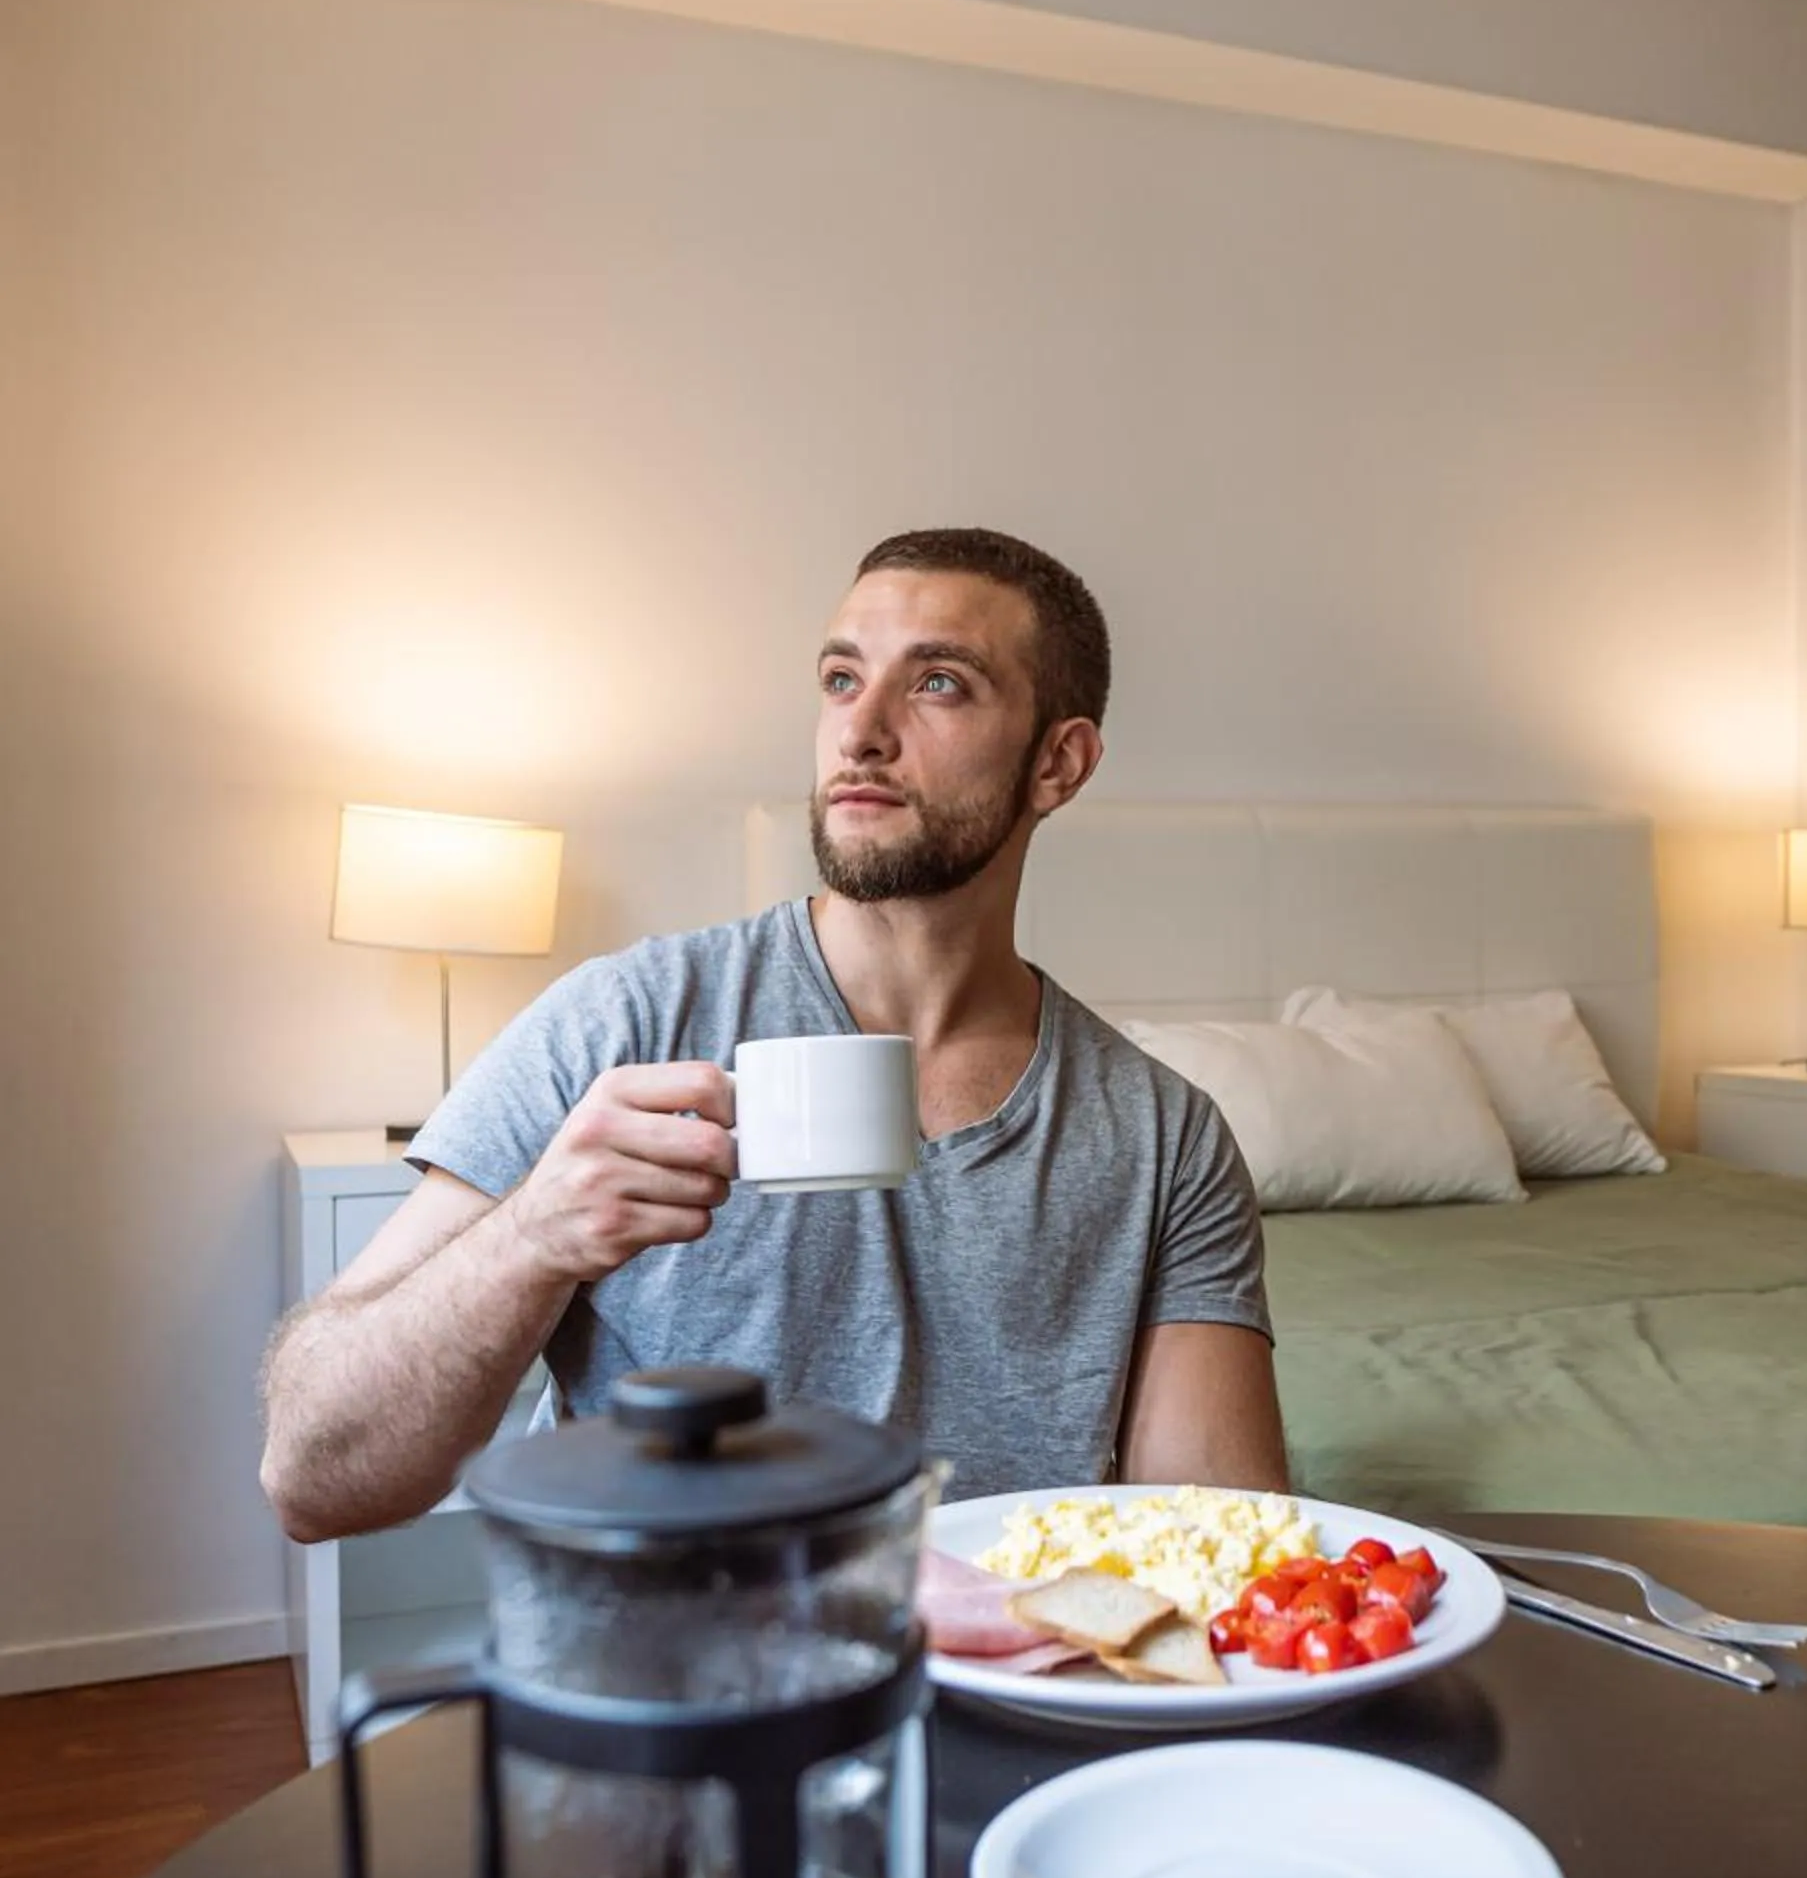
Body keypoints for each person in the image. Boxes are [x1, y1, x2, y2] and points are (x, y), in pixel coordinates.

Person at [260, 527, 1287, 1540]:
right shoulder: (626, 1023)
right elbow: (312, 1480)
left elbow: (1223, 1544)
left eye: (937, 684)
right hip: (678, 1648)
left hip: (1003, 1648)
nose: (860, 733)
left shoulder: (1162, 1137)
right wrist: (534, 1237)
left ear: (1058, 762)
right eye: (841, 680)